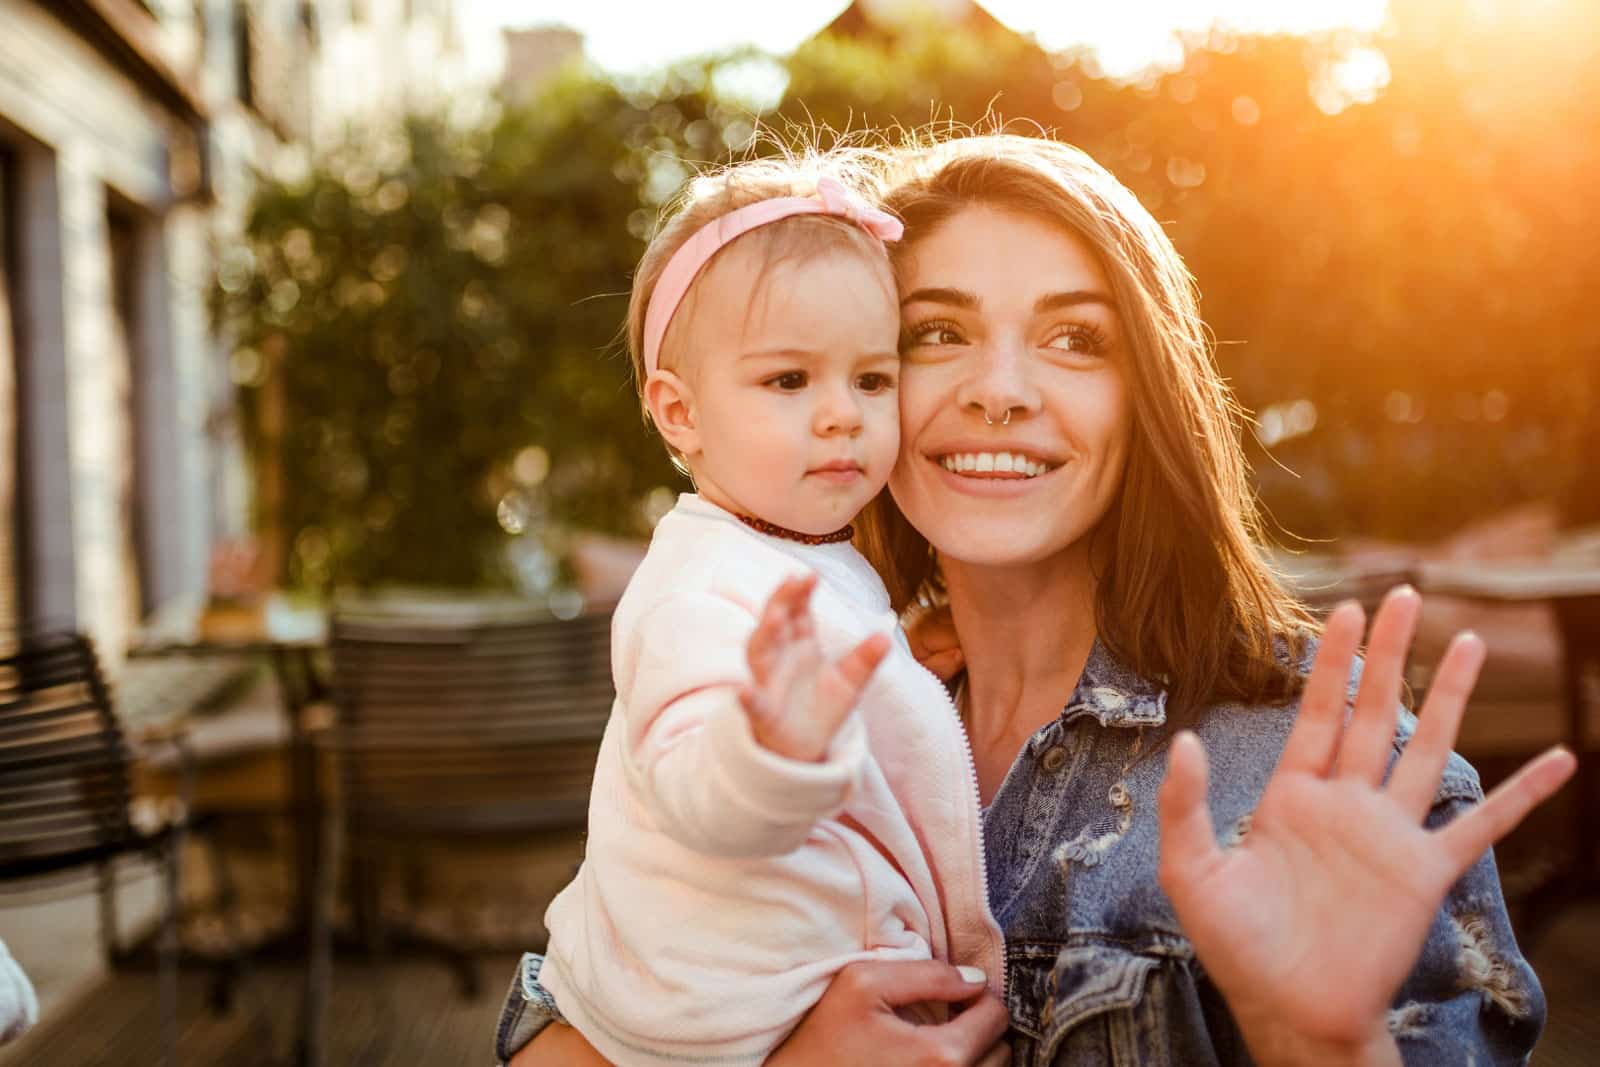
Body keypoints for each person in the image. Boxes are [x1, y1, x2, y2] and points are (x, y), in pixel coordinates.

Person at [497, 134, 1575, 1066]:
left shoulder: (1318, 766)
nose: (1000, 387)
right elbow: (568, 1004)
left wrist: (1318, 1041)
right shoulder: (778, 682)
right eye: (935, 332)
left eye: (1074, 338)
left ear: (1145, 391)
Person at [538, 156, 1006, 1065]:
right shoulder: (692, 589)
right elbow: (700, 790)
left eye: (872, 380)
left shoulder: (784, 549)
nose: (841, 415)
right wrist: (770, 750)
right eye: (789, 382)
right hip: (732, 1023)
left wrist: (896, 661)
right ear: (680, 413)